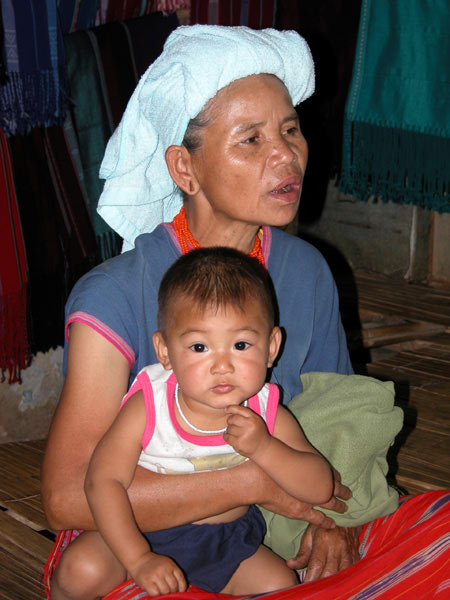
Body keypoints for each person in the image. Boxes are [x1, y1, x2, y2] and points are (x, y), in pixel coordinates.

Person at [41, 24, 450, 600]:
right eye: (251, 140)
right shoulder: (112, 294)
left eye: (290, 130)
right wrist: (254, 482)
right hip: (130, 539)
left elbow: (338, 419)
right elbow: (67, 499)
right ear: (185, 169)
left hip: (269, 528)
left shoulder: (306, 271)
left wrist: (328, 521)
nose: (286, 155)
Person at [53, 247, 335, 599]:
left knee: (280, 585)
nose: (222, 365)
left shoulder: (265, 411)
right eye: (200, 347)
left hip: (227, 544)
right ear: (165, 351)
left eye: (241, 344)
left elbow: (320, 487)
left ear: (272, 346)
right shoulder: (150, 404)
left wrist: (265, 447)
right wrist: (139, 558)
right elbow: (101, 481)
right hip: (138, 532)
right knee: (80, 571)